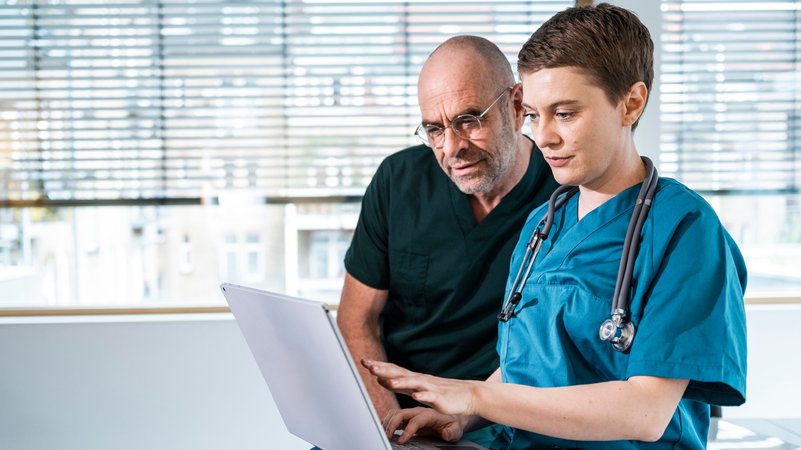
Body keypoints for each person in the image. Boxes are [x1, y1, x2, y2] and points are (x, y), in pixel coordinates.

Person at [363, 4, 748, 449]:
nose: (544, 136)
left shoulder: (686, 231)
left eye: (564, 113)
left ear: (631, 103)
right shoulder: (543, 224)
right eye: (533, 115)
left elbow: (645, 412)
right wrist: (462, 416)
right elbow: (528, 361)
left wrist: (474, 394)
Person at [337, 35, 558, 445]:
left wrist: (471, 414)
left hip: (498, 421)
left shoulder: (564, 196)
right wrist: (395, 428)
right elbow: (356, 318)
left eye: (469, 120)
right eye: (435, 129)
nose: (452, 148)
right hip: (395, 413)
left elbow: (553, 348)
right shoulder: (398, 181)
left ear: (516, 106)